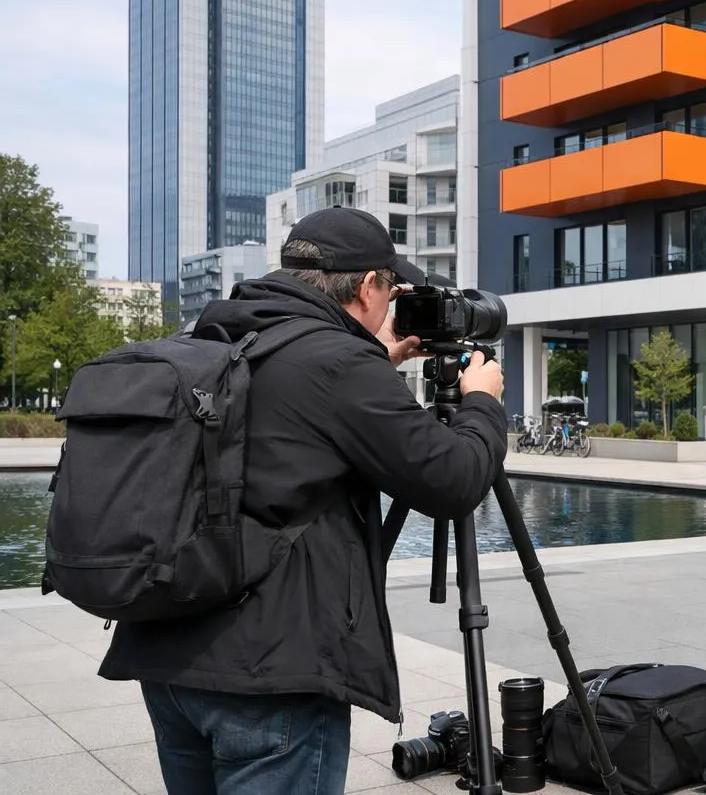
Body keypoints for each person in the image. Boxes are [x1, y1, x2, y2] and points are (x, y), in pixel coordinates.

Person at [98, 207, 508, 795]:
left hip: (166, 652)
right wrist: (482, 404)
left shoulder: (222, 333)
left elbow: (285, 418)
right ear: (368, 286)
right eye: (391, 291)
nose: (392, 308)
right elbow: (453, 480)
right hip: (271, 673)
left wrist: (376, 363)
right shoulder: (339, 364)